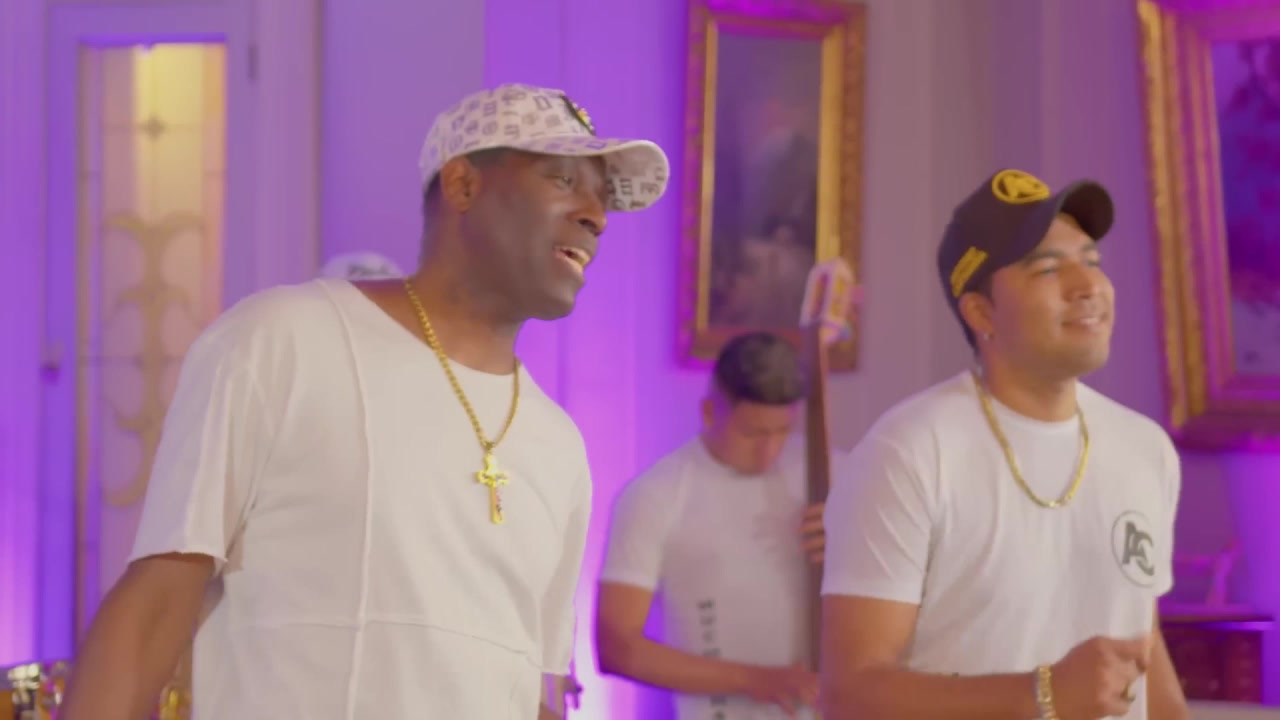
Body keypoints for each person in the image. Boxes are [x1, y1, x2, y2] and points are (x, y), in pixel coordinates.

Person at [59, 82, 670, 720]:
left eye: (605, 198)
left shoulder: (559, 444)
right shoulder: (282, 339)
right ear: (463, 185)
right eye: (564, 180)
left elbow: (529, 690)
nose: (596, 216)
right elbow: (157, 603)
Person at [817, 169, 1190, 720]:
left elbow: (1141, 642)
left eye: (1091, 261)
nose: (1088, 286)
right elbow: (849, 695)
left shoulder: (1145, 448)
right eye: (1048, 269)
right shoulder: (909, 453)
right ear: (981, 312)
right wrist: (1043, 696)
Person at [596, 331, 827, 720]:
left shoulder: (830, 479)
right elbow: (617, 647)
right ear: (708, 412)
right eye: (752, 433)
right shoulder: (655, 496)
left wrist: (855, 551)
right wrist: (756, 679)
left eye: (782, 432)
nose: (769, 451)